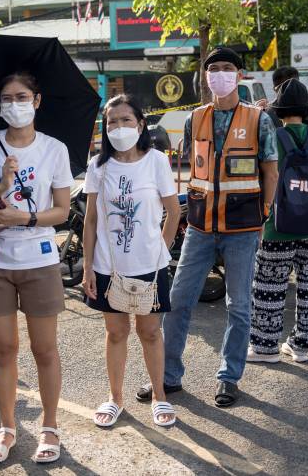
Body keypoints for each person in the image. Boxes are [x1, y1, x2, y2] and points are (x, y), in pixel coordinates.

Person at [136, 47, 278, 408]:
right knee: (179, 300)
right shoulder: (194, 118)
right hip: (200, 226)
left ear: (239, 75)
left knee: (239, 305)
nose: (219, 74)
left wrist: (263, 213)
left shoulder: (259, 120)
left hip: (243, 229)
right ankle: (167, 377)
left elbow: (270, 170)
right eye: (212, 69)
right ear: (205, 77)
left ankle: (229, 378)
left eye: (227, 68)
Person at [0, 72, 72, 464]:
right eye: (6, 98)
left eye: (21, 96)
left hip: (40, 260)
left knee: (45, 349)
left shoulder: (54, 149)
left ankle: (50, 426)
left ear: (37, 100)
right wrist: (0, 184)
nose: (14, 104)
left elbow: (63, 209)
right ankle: (7, 428)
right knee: (4, 349)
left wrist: (24, 219)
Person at [81, 95, 181, 428]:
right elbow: (91, 219)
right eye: (112, 121)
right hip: (108, 266)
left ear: (140, 125)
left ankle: (159, 396)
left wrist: (160, 254)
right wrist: (87, 267)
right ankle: (115, 398)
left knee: (150, 332)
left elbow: (174, 210)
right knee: (116, 332)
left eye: (126, 120)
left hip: (148, 266)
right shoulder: (98, 166)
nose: (119, 127)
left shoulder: (156, 161)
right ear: (104, 127)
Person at [248, 78, 308, 362]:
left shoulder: (272, 135)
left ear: (279, 111)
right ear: (306, 108)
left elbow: (264, 177)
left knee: (270, 288)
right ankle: (301, 346)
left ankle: (265, 347)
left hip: (277, 226)